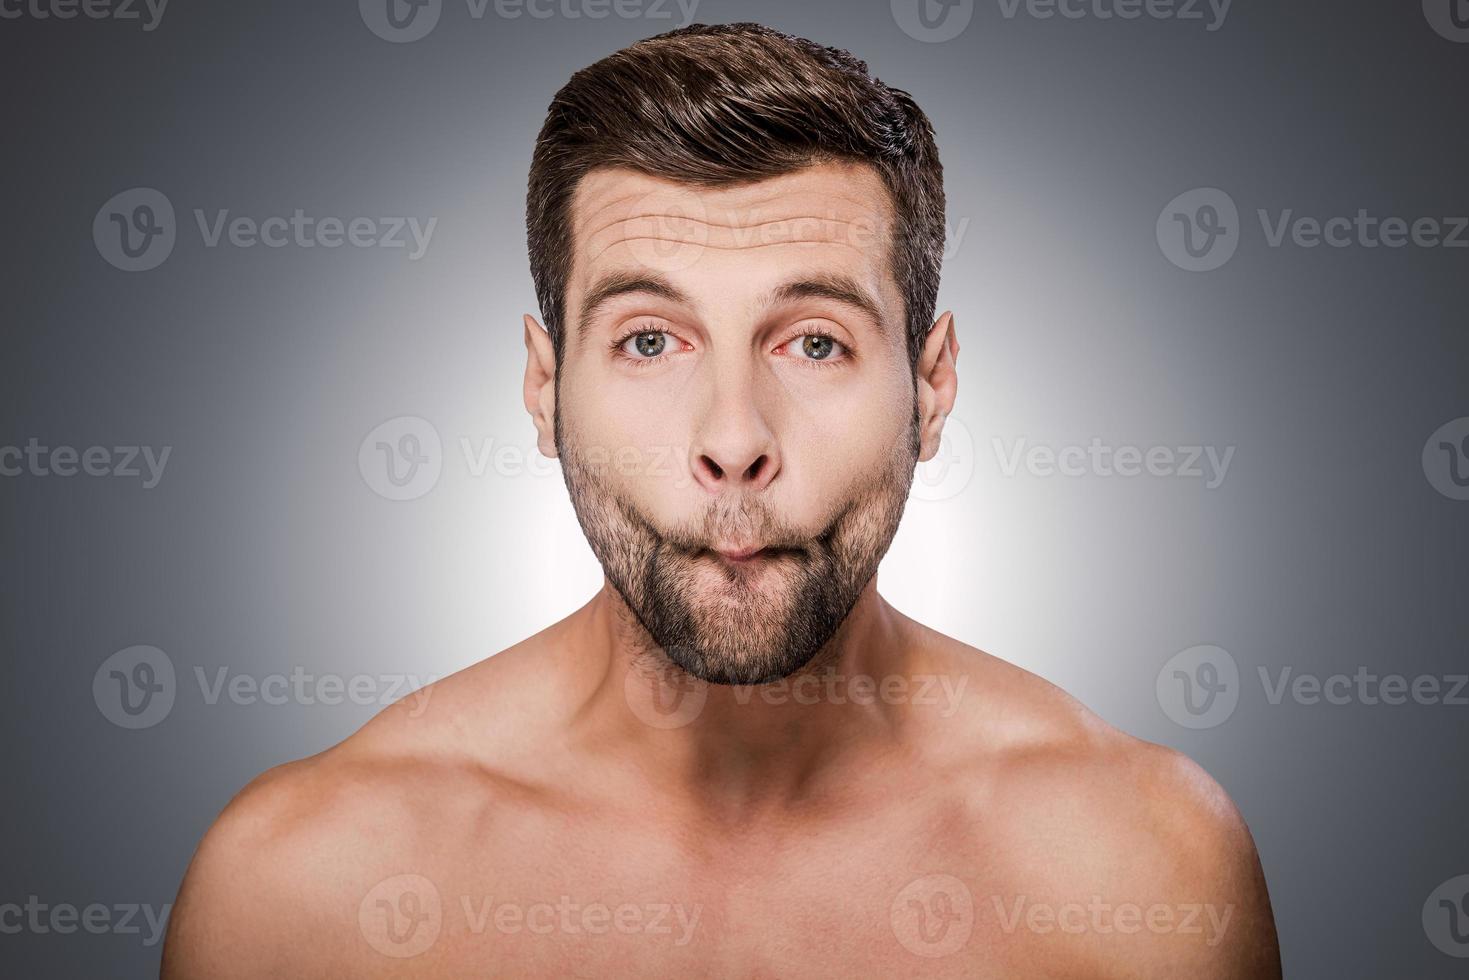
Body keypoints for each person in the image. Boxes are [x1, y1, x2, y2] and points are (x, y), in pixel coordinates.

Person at [162, 22, 1281, 977]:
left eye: (812, 341)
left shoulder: (1142, 872)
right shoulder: (299, 892)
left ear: (929, 387)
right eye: (649, 340)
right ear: (544, 387)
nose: (734, 438)